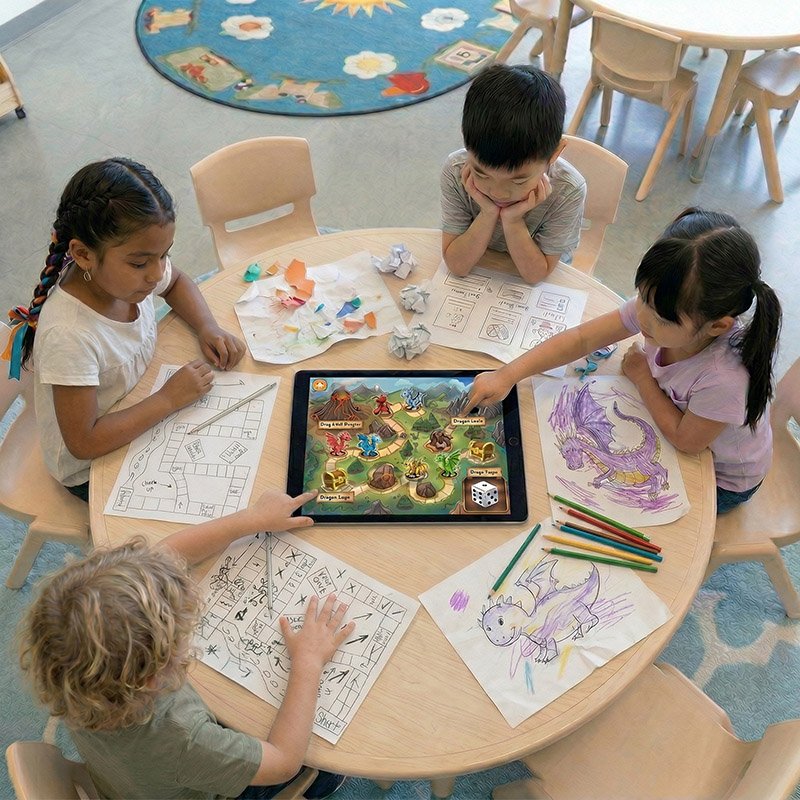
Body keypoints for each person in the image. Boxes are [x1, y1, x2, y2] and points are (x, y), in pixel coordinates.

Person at [19, 487, 354, 800]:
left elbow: (165, 557)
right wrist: (308, 661)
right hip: (201, 783)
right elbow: (283, 763)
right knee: (321, 758)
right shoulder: (184, 738)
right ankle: (323, 785)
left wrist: (251, 519)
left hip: (129, 778)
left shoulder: (67, 668)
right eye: (181, 632)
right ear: (154, 676)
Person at [468, 208, 782, 514]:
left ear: (718, 326)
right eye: (642, 296)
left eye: (661, 319)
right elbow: (581, 339)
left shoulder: (725, 378)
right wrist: (508, 374)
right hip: (680, 429)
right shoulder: (663, 307)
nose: (642, 317)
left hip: (722, 479)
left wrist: (643, 377)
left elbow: (687, 441)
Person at [2, 157, 247, 502]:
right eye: (140, 262)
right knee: (211, 497)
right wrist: (167, 399)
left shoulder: (127, 275)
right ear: (83, 255)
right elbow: (84, 442)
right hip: (93, 467)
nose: (155, 273)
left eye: (164, 255)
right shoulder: (69, 335)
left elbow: (176, 281)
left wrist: (207, 326)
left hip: (139, 405)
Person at [440, 64, 586, 284]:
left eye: (519, 180)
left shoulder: (568, 190)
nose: (498, 193)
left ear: (554, 153)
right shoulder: (456, 171)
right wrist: (488, 213)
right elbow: (457, 265)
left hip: (532, 278)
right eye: (481, 173)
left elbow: (535, 275)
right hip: (481, 268)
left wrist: (513, 220)